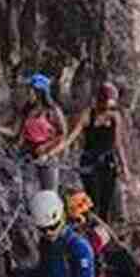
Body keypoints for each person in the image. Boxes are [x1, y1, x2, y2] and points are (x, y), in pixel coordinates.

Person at [55, 81, 130, 222]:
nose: (109, 106)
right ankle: (90, 227)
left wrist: (124, 167)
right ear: (100, 100)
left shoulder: (115, 117)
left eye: (111, 103)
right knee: (93, 199)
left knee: (106, 203)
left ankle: (103, 233)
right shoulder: (88, 115)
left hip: (108, 163)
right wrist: (53, 152)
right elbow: (71, 138)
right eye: (107, 102)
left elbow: (117, 144)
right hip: (90, 163)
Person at [0, 72, 67, 192]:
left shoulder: (53, 111)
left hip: (47, 156)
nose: (27, 92)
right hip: (27, 153)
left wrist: (47, 151)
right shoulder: (26, 110)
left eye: (30, 89)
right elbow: (14, 131)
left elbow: (62, 135)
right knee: (27, 190)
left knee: (49, 193)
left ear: (39, 91)